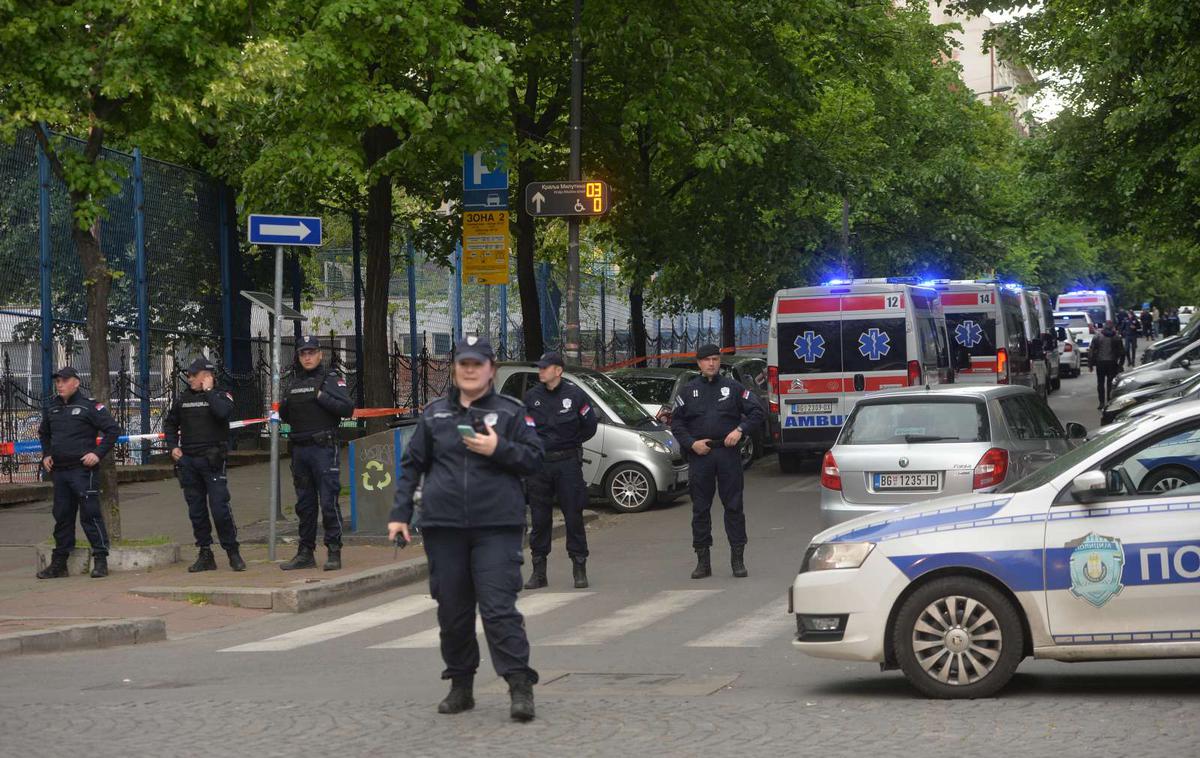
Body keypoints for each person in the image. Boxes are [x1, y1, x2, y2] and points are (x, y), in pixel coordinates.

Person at [388, 336, 543, 722]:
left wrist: (498, 449)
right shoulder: (435, 414)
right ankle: (461, 684)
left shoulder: (510, 412)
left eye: (477, 364)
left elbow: (535, 459)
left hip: (496, 526)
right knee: (453, 612)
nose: (470, 370)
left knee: (498, 609)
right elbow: (412, 465)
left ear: (491, 368)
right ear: (455, 370)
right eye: (463, 364)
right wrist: (399, 513)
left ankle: (519, 686)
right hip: (444, 527)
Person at [670, 344, 765, 579]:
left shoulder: (732, 388)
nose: (711, 364)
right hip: (700, 455)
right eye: (706, 360)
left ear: (720, 361)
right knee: (700, 509)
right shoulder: (688, 391)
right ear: (698, 363)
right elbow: (677, 424)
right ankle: (703, 561)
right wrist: (692, 443)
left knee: (733, 507)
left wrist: (740, 430)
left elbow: (757, 412)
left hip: (727, 454)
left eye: (715, 359)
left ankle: (737, 559)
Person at [36, 367, 123, 579]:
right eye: (57, 381)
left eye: (64, 381)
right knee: (62, 517)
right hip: (60, 472)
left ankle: (100, 559)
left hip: (83, 471)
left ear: (76, 382)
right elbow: (44, 433)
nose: (60, 384)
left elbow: (113, 430)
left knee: (90, 515)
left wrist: (97, 454)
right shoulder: (52, 408)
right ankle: (59, 563)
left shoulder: (89, 406)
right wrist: (46, 454)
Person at [523, 351, 598, 590]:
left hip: (567, 463)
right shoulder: (531, 397)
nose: (541, 371)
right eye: (540, 368)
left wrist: (570, 442)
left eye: (545, 367)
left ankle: (579, 567)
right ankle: (539, 571)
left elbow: (589, 426)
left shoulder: (575, 395)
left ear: (558, 370)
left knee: (573, 516)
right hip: (540, 465)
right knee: (540, 518)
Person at [278, 336, 354, 571]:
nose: (307, 357)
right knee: (305, 505)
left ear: (320, 354)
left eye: (311, 352)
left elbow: (347, 409)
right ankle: (305, 552)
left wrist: (320, 397)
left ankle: (334, 550)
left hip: (323, 448)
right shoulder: (293, 382)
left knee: (329, 502)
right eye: (303, 353)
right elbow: (286, 414)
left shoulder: (330, 379)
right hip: (300, 450)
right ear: (298, 356)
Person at [163, 358, 245, 573]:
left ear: (206, 376)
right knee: (197, 512)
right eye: (189, 375)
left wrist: (208, 392)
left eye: (193, 375)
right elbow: (170, 424)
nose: (189, 378)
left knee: (220, 509)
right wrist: (173, 446)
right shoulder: (183, 399)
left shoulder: (220, 395)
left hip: (212, 461)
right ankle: (205, 554)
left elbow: (223, 413)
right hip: (189, 462)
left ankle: (232, 552)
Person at [1089, 321, 1126, 409]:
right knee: (1110, 383)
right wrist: (1120, 364)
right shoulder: (1117, 337)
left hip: (1100, 362)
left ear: (1104, 327)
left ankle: (1101, 402)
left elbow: (1091, 351)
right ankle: (1109, 400)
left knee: (1100, 383)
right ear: (1112, 327)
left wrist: (1090, 364)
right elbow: (1122, 352)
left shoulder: (1097, 337)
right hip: (1112, 362)